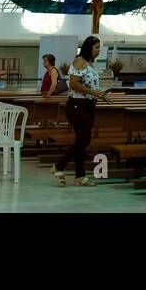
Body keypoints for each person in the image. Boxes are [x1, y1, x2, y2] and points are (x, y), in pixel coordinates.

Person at [53, 36, 110, 186]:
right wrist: (94, 92)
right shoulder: (79, 61)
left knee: (82, 141)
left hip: (88, 105)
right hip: (77, 105)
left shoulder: (90, 64)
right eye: (97, 47)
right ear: (89, 47)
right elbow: (73, 84)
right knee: (84, 140)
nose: (99, 51)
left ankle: (80, 176)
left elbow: (88, 85)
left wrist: (100, 94)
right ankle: (59, 166)